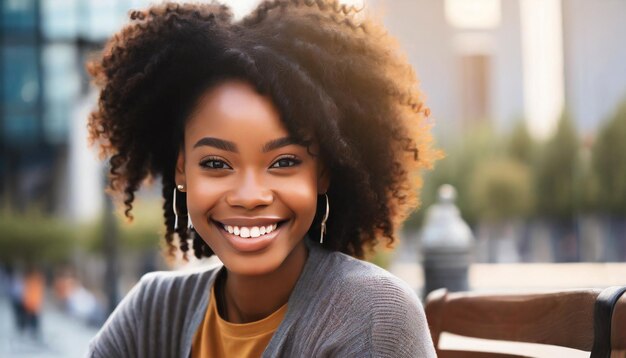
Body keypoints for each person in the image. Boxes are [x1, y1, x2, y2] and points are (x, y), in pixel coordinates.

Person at [85, 1, 440, 357]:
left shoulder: (372, 315)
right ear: (182, 170)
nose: (250, 195)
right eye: (216, 163)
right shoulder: (154, 311)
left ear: (322, 173)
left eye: (284, 161)